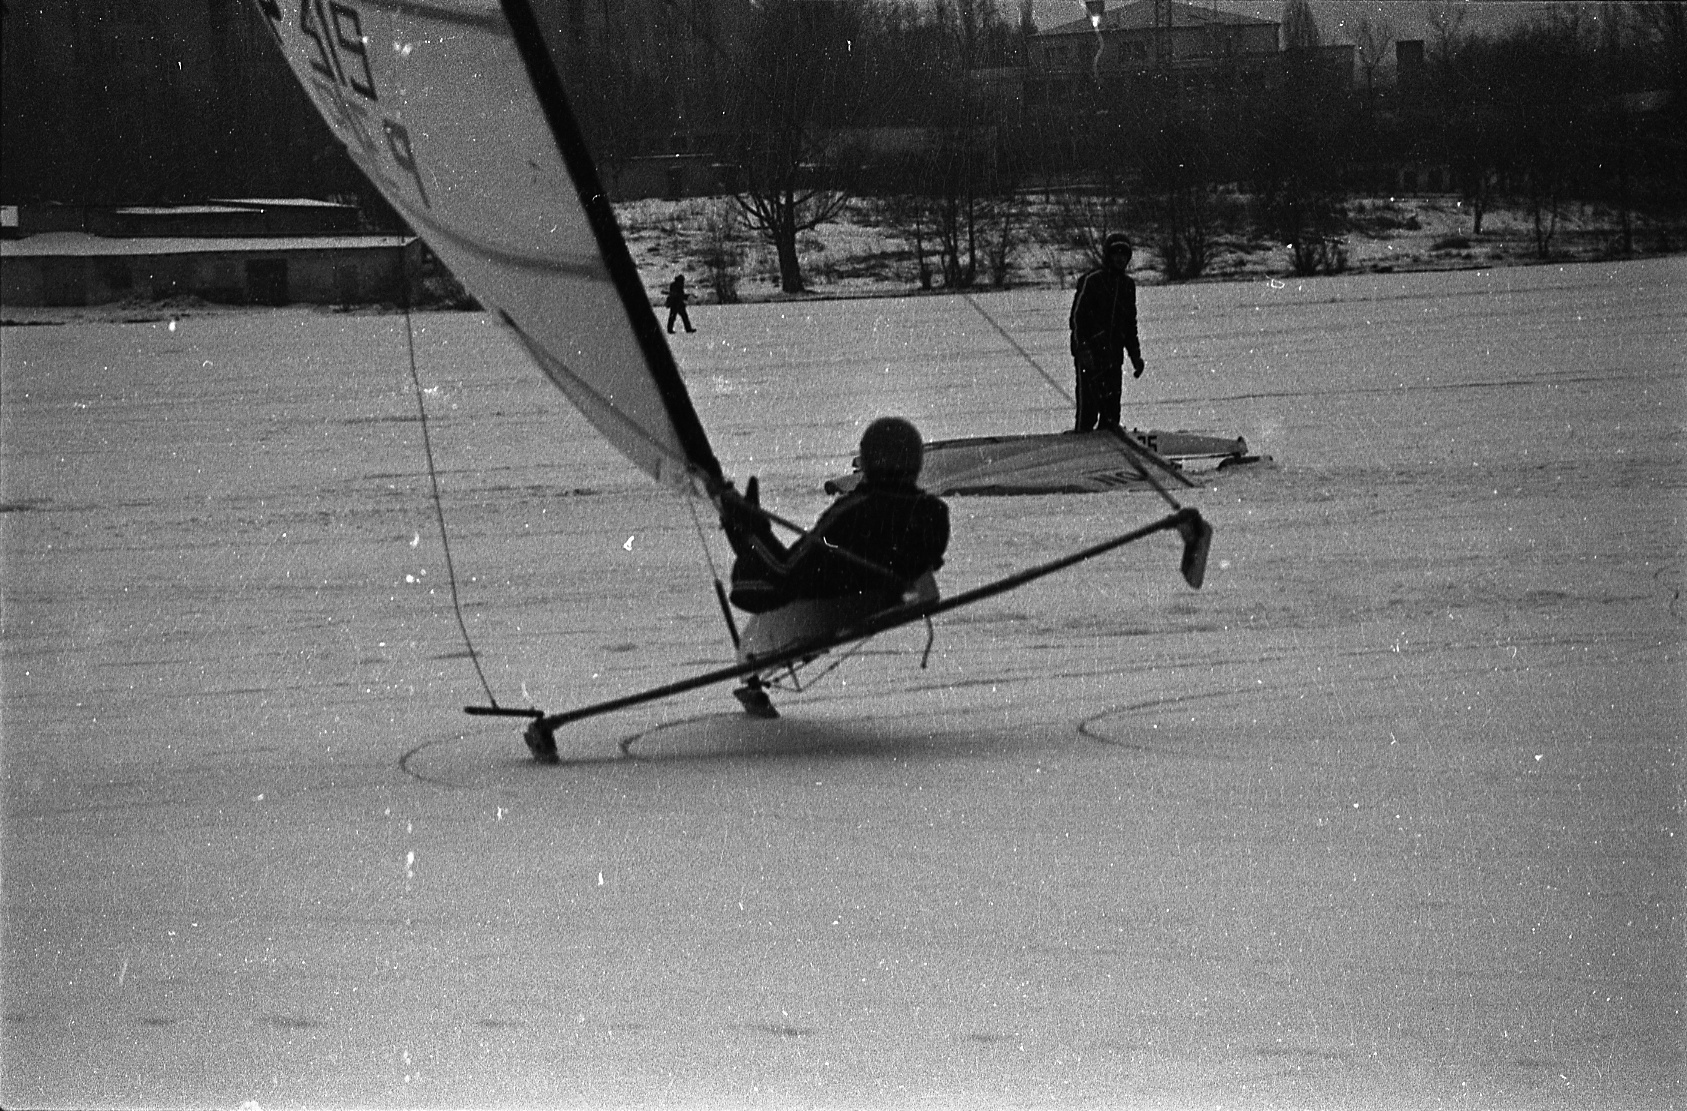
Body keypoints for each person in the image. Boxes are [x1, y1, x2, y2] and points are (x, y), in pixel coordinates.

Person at [720, 417, 950, 616]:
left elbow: (786, 569)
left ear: (868, 460)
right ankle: (745, 530)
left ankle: (744, 528)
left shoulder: (854, 509)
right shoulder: (935, 512)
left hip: (828, 593)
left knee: (752, 572)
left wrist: (755, 528)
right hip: (885, 586)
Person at [1068, 232, 1145, 432]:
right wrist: (1083, 349)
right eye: (1115, 253)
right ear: (1108, 256)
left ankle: (1109, 446)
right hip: (1091, 359)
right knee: (1088, 412)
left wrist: (1135, 357)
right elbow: (1077, 319)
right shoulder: (1093, 281)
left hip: (1114, 358)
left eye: (1124, 254)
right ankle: (1082, 445)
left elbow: (1130, 326)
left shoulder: (1128, 286)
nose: (1120, 258)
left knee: (1111, 414)